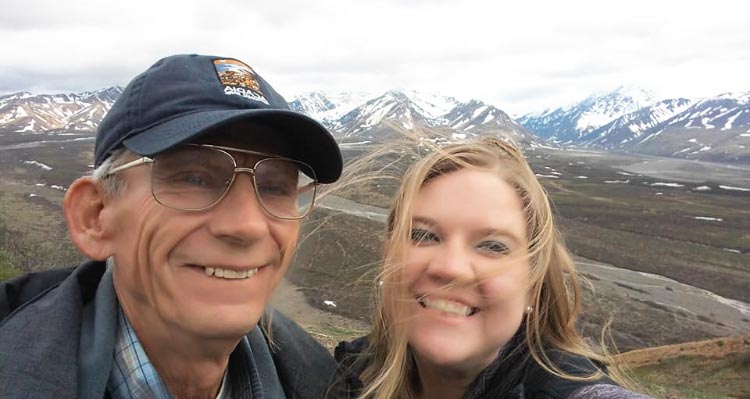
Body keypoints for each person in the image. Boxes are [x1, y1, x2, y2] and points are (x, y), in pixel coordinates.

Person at [0, 54, 344, 398]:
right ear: (96, 217)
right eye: (194, 178)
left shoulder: (328, 383)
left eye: (274, 187)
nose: (248, 226)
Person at [334, 137, 651, 398]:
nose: (451, 268)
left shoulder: (571, 390)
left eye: (493, 246)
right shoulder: (342, 375)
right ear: (388, 256)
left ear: (533, 283)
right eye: (422, 235)